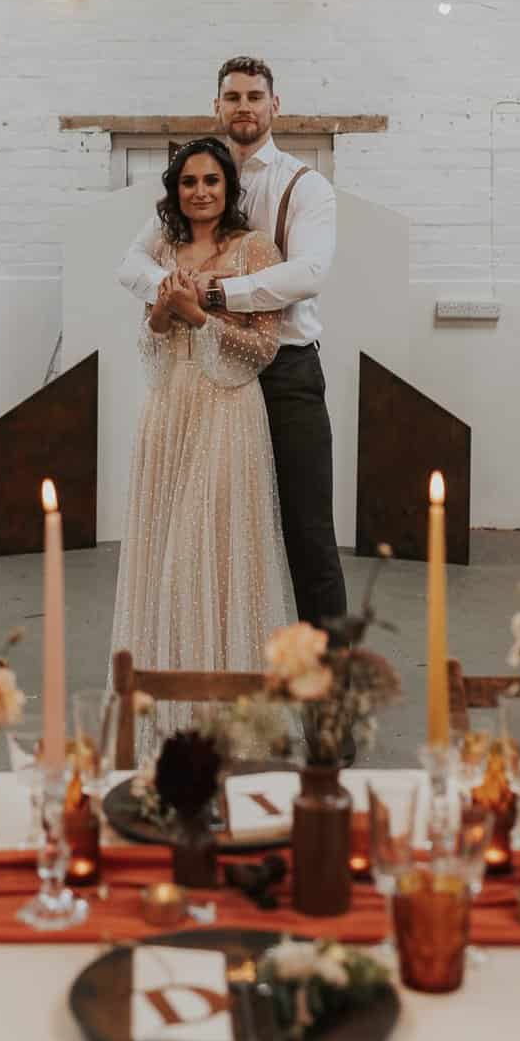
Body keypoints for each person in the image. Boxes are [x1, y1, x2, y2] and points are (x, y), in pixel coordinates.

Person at [118, 57, 348, 638]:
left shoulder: (305, 184)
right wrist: (170, 293)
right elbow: (133, 265)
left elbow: (310, 272)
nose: (243, 106)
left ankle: (329, 695)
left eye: (255, 96)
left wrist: (215, 295)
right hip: (209, 390)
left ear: (275, 106)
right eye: (232, 96)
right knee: (216, 532)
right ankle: (228, 666)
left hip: (286, 373)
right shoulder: (199, 180)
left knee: (306, 532)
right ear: (217, 107)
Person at [109, 137, 293, 735]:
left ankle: (225, 709)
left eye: (211, 181)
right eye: (189, 183)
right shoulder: (163, 248)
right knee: (165, 552)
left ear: (229, 189)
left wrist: (196, 316)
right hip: (169, 409)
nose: (200, 192)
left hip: (228, 410)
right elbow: (151, 341)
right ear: (175, 192)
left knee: (208, 545)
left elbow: (264, 347)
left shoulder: (257, 249)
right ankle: (168, 708)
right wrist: (163, 317)